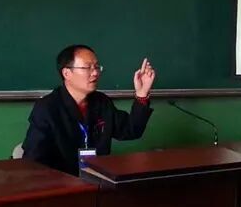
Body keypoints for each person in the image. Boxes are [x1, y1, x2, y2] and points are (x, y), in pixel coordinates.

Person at [22, 44, 155, 176]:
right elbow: (34, 160)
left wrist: (142, 93)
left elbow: (131, 130)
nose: (95, 73)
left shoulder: (101, 102)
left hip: (97, 179)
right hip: (61, 182)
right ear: (67, 73)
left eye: (96, 67)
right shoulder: (47, 108)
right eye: (87, 67)